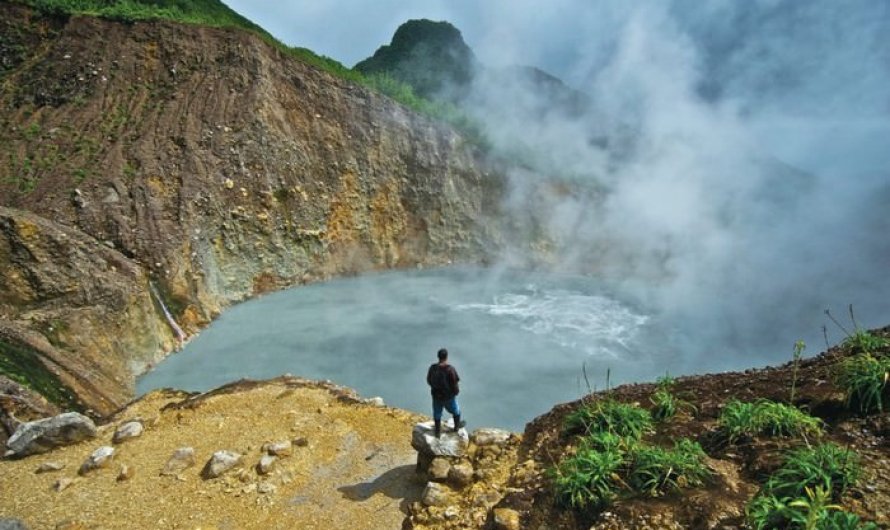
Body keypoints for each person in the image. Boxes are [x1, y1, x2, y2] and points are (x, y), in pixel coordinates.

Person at [426, 348, 465, 437]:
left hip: (436, 395)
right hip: (448, 397)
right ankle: (456, 427)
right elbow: (454, 383)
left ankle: (437, 432)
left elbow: (428, 380)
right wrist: (456, 392)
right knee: (456, 411)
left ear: (438, 357)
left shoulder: (433, 368)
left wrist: (435, 388)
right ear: (446, 357)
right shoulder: (450, 369)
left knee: (437, 413)